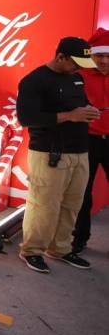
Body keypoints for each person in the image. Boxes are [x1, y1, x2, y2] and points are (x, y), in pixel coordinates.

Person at [16, 36, 99, 273]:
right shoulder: (34, 80)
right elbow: (27, 118)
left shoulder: (76, 77)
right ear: (60, 56)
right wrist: (70, 116)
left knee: (73, 204)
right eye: (75, 63)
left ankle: (60, 249)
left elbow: (78, 106)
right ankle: (32, 250)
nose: (78, 69)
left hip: (80, 150)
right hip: (49, 152)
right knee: (44, 205)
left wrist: (89, 112)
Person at [72, 28, 109, 253]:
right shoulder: (78, 76)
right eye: (99, 55)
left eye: (108, 56)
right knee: (81, 192)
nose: (104, 60)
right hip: (86, 141)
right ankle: (79, 239)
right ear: (91, 56)